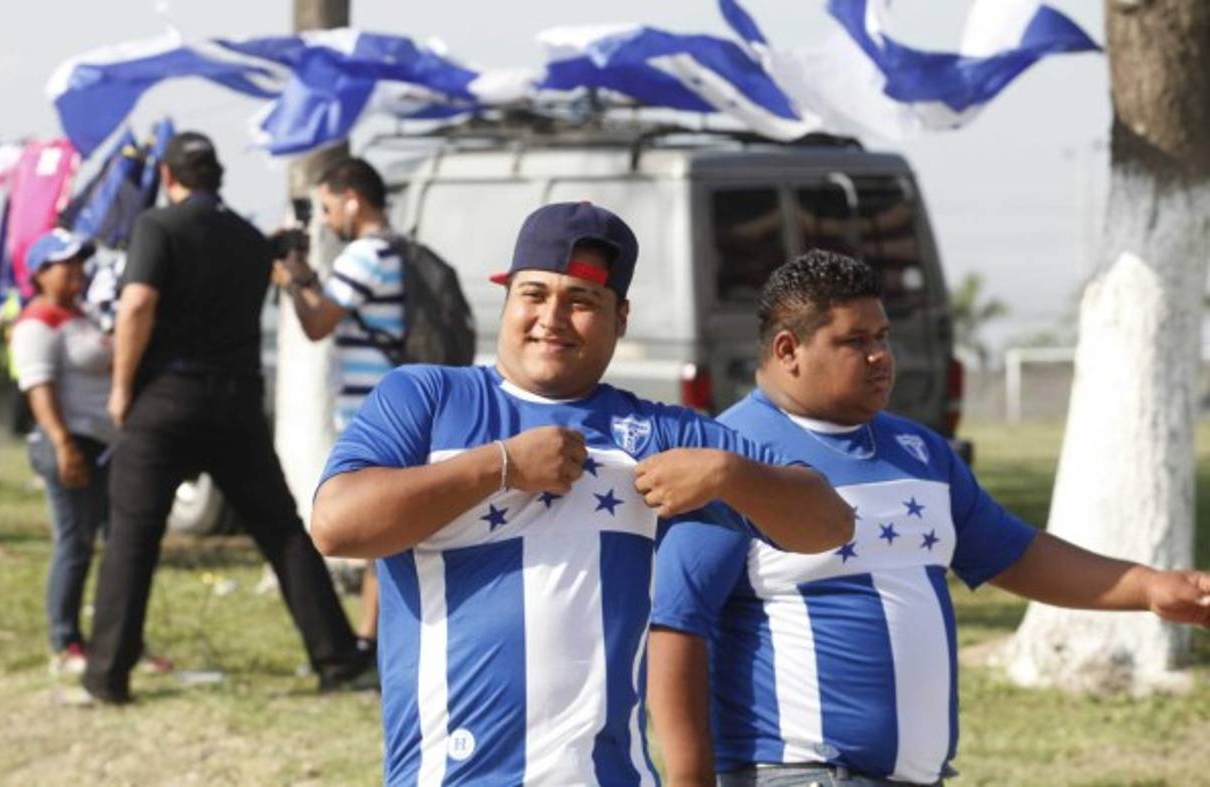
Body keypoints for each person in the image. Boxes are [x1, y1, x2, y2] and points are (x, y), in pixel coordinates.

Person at [311, 201, 854, 785]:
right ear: (507, 299)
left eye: (582, 302)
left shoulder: (657, 433)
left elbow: (829, 525)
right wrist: (500, 466)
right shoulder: (427, 397)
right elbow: (336, 526)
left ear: (620, 318)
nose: (552, 318)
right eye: (535, 294)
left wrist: (729, 473)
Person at [647, 249, 1210, 787]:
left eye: (884, 337)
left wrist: (1150, 587)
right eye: (856, 341)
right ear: (790, 349)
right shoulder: (729, 458)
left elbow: (1014, 552)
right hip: (798, 772)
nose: (881, 357)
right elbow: (677, 624)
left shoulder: (920, 449)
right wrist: (692, 778)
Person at [80, 131, 373, 704]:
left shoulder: (157, 227)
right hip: (237, 401)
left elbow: (137, 303)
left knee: (133, 537)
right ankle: (337, 659)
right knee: (282, 532)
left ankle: (107, 675)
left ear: (168, 178)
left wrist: (120, 387)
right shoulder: (248, 238)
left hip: (165, 399)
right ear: (218, 178)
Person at [272, 156, 400, 652]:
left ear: (352, 200)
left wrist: (293, 281)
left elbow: (318, 323)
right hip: (388, 400)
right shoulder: (396, 247)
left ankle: (372, 637)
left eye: (328, 208)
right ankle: (372, 635)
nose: (326, 220)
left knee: (378, 525)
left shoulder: (365, 254)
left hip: (374, 409)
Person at [10, 230, 112, 676]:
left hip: (103, 442)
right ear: (40, 273)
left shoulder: (82, 314)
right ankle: (65, 639)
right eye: (65, 263)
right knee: (75, 543)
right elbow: (39, 388)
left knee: (107, 543)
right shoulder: (37, 322)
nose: (77, 270)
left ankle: (112, 636)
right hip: (70, 441)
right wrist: (63, 443)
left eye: (80, 261)